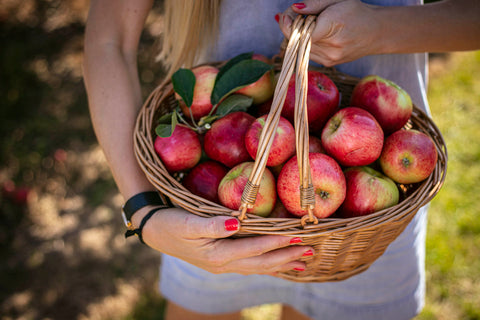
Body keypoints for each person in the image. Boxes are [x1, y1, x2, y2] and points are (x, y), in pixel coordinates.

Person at [83, 0, 480, 319]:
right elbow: (108, 39)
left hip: (360, 229)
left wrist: (382, 27)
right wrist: (145, 213)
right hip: (212, 208)